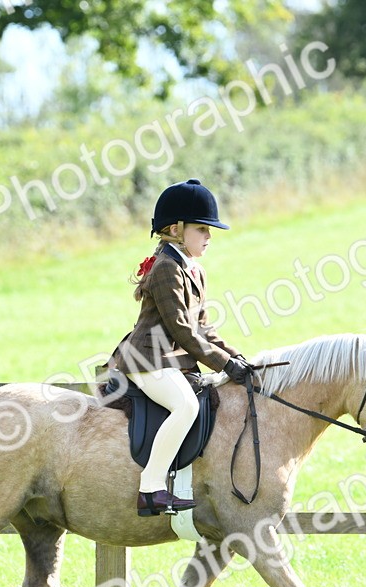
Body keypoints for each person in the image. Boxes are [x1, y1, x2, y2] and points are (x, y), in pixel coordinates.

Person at [105, 178, 254, 516]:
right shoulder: (166, 269)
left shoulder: (195, 270)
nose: (209, 236)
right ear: (175, 229)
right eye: (202, 229)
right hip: (148, 359)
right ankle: (151, 488)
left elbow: (204, 327)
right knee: (185, 406)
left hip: (171, 360)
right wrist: (225, 365)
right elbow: (183, 331)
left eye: (209, 230)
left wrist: (236, 357)